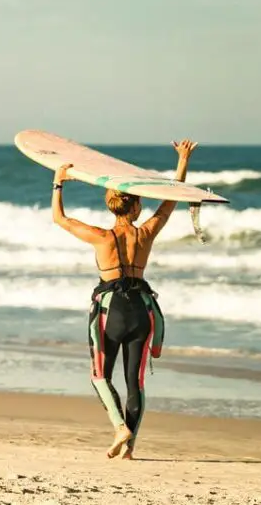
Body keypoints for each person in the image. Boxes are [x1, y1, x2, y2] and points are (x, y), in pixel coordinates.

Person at [51, 139, 197, 460]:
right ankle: (129, 448)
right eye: (140, 202)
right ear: (134, 207)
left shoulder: (101, 237)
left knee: (100, 374)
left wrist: (59, 181)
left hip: (110, 311)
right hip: (141, 310)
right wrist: (182, 160)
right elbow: (171, 201)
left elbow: (60, 219)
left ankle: (119, 427)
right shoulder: (145, 234)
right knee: (136, 382)